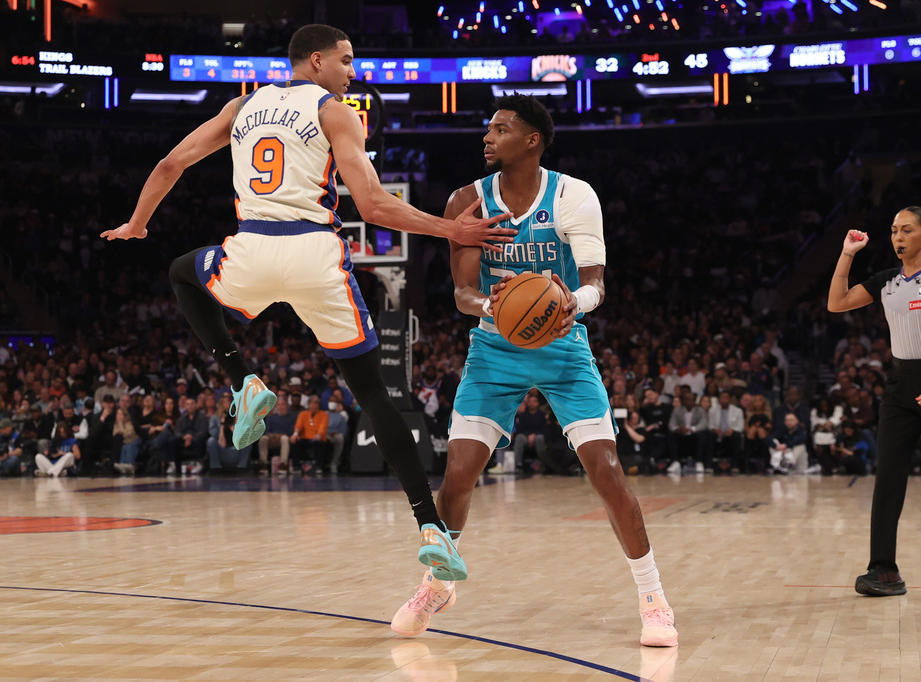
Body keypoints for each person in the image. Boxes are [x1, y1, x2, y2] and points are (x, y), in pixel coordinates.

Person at [99, 24, 515, 578]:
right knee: (375, 396)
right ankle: (430, 528)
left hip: (250, 252)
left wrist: (137, 223)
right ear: (315, 61)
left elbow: (170, 165)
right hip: (315, 257)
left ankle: (242, 382)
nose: (351, 72)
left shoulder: (241, 106)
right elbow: (373, 206)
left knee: (181, 273)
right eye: (345, 61)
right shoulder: (336, 112)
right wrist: (450, 231)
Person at [391, 95, 677, 647]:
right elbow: (463, 293)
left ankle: (653, 597)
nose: (487, 137)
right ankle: (438, 583)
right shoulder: (466, 200)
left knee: (607, 471)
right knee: (457, 475)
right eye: (488, 128)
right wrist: (490, 307)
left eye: (500, 129)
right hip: (494, 349)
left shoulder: (574, 195)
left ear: (532, 140)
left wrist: (576, 302)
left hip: (564, 344)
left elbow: (595, 282)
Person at [827, 215, 921, 597]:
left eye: (908, 230)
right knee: (888, 481)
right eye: (895, 230)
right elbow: (837, 303)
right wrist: (847, 255)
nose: (898, 236)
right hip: (900, 388)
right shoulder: (887, 281)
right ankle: (883, 570)